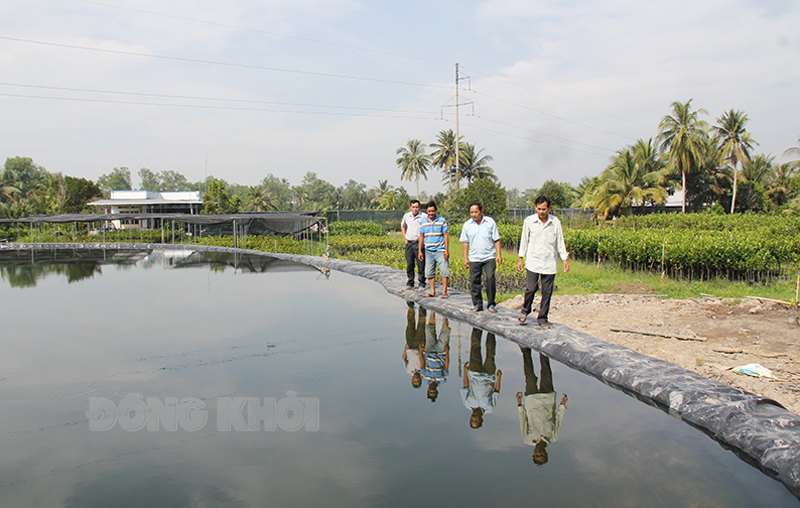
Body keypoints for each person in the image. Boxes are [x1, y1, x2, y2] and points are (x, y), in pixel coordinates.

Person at [517, 195, 569, 328]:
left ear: (549, 208)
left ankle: (542, 318)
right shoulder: (529, 221)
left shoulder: (555, 222)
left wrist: (564, 259)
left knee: (547, 291)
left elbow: (560, 241)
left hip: (549, 262)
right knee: (531, 288)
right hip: (533, 261)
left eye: (544, 209)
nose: (541, 212)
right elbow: (524, 240)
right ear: (535, 207)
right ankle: (525, 310)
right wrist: (520, 258)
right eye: (539, 209)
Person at [517, 348, 567, 465]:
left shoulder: (528, 439)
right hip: (547, 399)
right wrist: (562, 405)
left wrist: (520, 405)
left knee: (530, 377)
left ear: (533, 453)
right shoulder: (553, 437)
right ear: (546, 453)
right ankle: (543, 352)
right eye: (542, 455)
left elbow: (523, 421)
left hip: (532, 402)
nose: (539, 453)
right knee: (546, 372)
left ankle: (525, 351)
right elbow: (558, 420)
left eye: (537, 455)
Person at [460, 202, 503, 312]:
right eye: (471, 212)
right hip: (474, 258)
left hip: (489, 257)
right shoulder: (467, 225)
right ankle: (477, 304)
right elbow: (465, 242)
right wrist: (465, 258)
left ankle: (491, 304)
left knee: (490, 279)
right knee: (474, 281)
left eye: (476, 212)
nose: (474, 214)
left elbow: (496, 240)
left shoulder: (490, 222)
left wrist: (499, 255)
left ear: (481, 211)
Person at [460, 328, 501, 428]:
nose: (474, 417)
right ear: (481, 419)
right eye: (476, 420)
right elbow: (496, 392)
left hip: (474, 373)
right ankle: (491, 331)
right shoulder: (489, 408)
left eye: (472, 420)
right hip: (489, 375)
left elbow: (466, 387)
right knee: (490, 353)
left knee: (475, 349)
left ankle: (477, 328)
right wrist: (498, 379)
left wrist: (465, 372)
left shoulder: (467, 403)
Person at [418, 201, 450, 299]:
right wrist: (420, 250)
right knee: (429, 272)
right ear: (426, 211)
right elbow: (421, 237)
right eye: (429, 211)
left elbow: (445, 235)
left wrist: (446, 250)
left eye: (432, 211)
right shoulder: (423, 222)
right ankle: (433, 291)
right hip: (428, 250)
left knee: (444, 270)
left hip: (440, 249)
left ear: (435, 210)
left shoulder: (442, 220)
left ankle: (444, 291)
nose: (431, 213)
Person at [420, 311, 449, 402]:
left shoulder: (424, 378)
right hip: (440, 353)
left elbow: (422, 364)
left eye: (430, 391)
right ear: (436, 391)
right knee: (445, 333)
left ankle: (433, 312)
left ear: (428, 390)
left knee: (429, 330)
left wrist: (421, 351)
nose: (432, 390)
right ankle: (444, 314)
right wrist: (447, 353)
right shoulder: (443, 379)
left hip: (429, 351)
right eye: (433, 392)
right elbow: (446, 366)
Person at [400, 199, 426, 289]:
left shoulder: (424, 216)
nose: (415, 209)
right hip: (409, 244)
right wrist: (404, 237)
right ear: (410, 207)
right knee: (410, 264)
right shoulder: (407, 216)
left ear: (420, 208)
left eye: (417, 207)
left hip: (419, 243)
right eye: (413, 207)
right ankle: (410, 282)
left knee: (421, 264)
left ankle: (422, 283)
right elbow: (403, 225)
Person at [402, 302, 426, 389]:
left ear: (412, 380)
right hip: (419, 346)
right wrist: (422, 350)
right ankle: (422, 308)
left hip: (410, 345)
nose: (416, 379)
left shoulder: (408, 370)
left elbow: (404, 359)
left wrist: (405, 349)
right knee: (421, 325)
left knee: (410, 324)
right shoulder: (422, 371)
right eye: (418, 381)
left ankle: (411, 307)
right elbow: (424, 359)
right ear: (420, 379)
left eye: (415, 381)